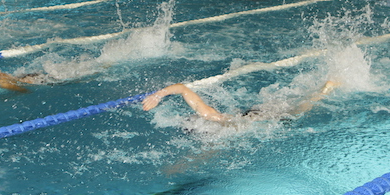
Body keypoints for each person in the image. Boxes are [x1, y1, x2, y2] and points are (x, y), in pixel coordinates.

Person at [142, 80, 339, 124]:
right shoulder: (208, 115)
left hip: (256, 118)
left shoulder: (212, 118)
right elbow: (183, 89)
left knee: (296, 111)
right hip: (249, 114)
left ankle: (325, 91)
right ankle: (321, 89)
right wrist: (159, 95)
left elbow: (183, 88)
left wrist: (159, 95)